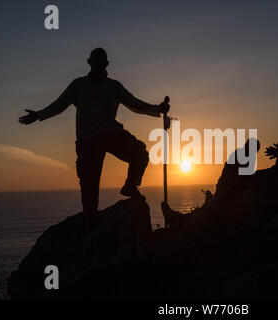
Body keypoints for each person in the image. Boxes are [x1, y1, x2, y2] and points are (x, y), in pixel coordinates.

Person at [19, 48, 170, 214]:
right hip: (88, 141)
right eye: (96, 62)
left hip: (108, 135)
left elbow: (134, 104)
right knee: (89, 188)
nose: (98, 66)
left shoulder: (113, 86)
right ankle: (91, 219)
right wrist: (39, 115)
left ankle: (130, 185)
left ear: (103, 64)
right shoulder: (79, 85)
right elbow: (60, 104)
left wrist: (157, 109)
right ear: (91, 63)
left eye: (100, 63)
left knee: (139, 153)